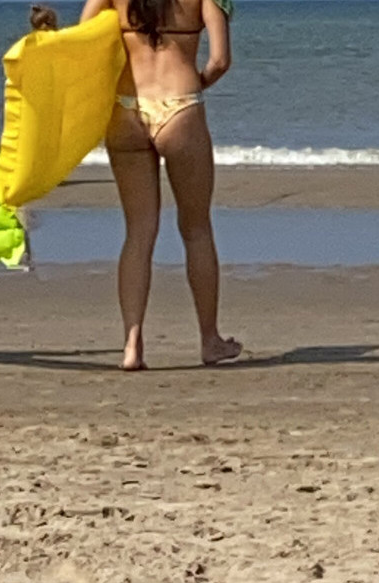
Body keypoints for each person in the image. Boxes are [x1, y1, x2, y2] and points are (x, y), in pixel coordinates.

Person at [80, 0, 240, 370]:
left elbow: (80, 46)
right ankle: (209, 340)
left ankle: (132, 345)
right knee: (196, 228)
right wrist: (191, 84)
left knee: (138, 232)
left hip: (127, 109)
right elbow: (220, 61)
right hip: (180, 106)